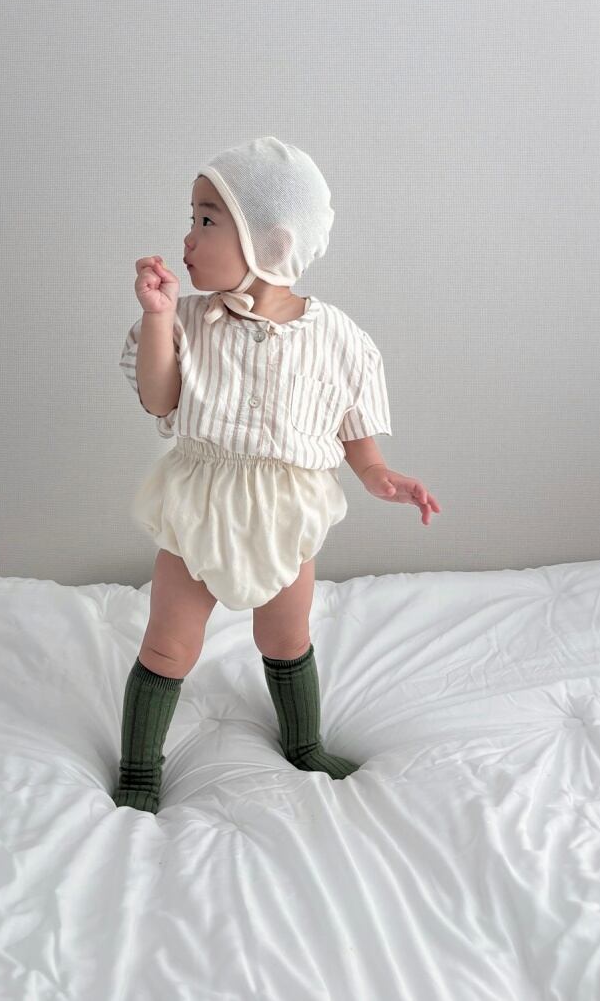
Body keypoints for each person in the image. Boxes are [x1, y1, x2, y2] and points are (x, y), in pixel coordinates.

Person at [113, 136, 441, 813]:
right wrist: (157, 318)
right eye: (192, 217)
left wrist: (380, 474)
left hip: (288, 510)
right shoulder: (190, 321)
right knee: (169, 644)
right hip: (201, 501)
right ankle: (140, 768)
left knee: (287, 637)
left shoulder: (337, 337)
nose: (188, 237)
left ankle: (304, 742)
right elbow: (159, 398)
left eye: (208, 219)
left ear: (271, 240)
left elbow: (352, 428)